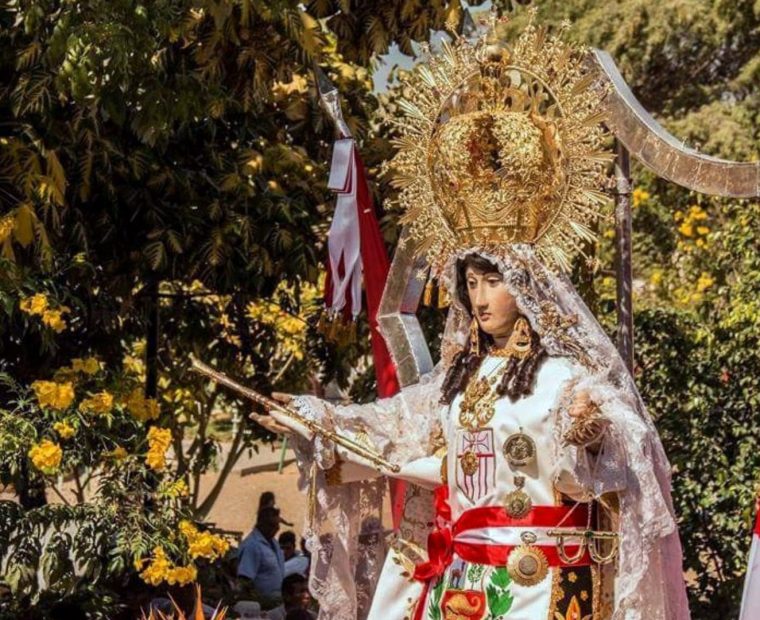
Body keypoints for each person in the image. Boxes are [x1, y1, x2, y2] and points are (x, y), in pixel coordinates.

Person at [250, 16, 691, 620]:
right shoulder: (459, 380)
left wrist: (592, 431)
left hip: (544, 589)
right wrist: (317, 422)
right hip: (465, 586)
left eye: (496, 281)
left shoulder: (563, 378)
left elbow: (624, 447)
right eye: (473, 283)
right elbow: (393, 428)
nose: (481, 298)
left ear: (529, 286)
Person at [237, 506, 286, 604]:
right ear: (262, 524)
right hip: (262, 604)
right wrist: (258, 600)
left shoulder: (274, 542)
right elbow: (245, 579)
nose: (277, 528)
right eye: (272, 525)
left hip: (277, 601)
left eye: (277, 525)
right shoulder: (252, 545)